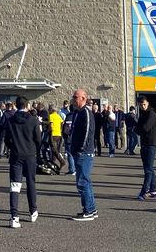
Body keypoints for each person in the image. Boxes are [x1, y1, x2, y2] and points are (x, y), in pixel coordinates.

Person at [4, 96, 41, 228]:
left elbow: (6, 139)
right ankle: (33, 210)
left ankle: (14, 216)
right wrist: (36, 150)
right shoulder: (33, 120)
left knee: (15, 185)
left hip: (16, 155)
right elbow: (38, 138)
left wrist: (13, 147)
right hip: (30, 154)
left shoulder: (10, 120)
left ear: (16, 105)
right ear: (27, 105)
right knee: (31, 182)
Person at [70, 89, 97, 221]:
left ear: (83, 98)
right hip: (78, 151)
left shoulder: (86, 112)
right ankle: (91, 208)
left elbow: (88, 131)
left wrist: (81, 148)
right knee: (85, 181)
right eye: (73, 97)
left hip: (84, 152)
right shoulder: (77, 112)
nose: (74, 99)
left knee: (82, 182)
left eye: (76, 97)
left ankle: (89, 211)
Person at [135, 95, 156, 200]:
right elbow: (138, 128)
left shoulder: (151, 114)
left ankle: (144, 191)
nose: (143, 106)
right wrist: (138, 128)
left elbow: (145, 128)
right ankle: (153, 189)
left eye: (144, 104)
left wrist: (138, 128)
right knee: (148, 167)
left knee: (148, 169)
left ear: (147, 103)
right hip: (144, 143)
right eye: (141, 105)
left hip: (151, 144)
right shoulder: (142, 114)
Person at [47, 104, 66, 171]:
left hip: (53, 134)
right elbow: (62, 123)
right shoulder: (58, 116)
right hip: (59, 134)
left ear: (51, 110)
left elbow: (51, 125)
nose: (48, 110)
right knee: (54, 149)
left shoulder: (51, 116)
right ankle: (52, 163)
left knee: (54, 149)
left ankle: (62, 161)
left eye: (49, 109)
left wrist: (48, 130)